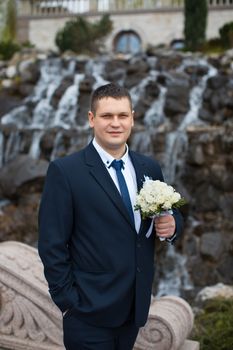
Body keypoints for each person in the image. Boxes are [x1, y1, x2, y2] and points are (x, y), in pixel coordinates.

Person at [38, 83, 183, 350]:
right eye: (107, 116)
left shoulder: (149, 166)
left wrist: (173, 224)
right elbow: (51, 244)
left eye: (122, 115)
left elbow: (169, 212)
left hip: (134, 311)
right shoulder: (65, 171)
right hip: (87, 314)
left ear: (132, 118)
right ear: (92, 119)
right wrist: (69, 303)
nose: (115, 123)